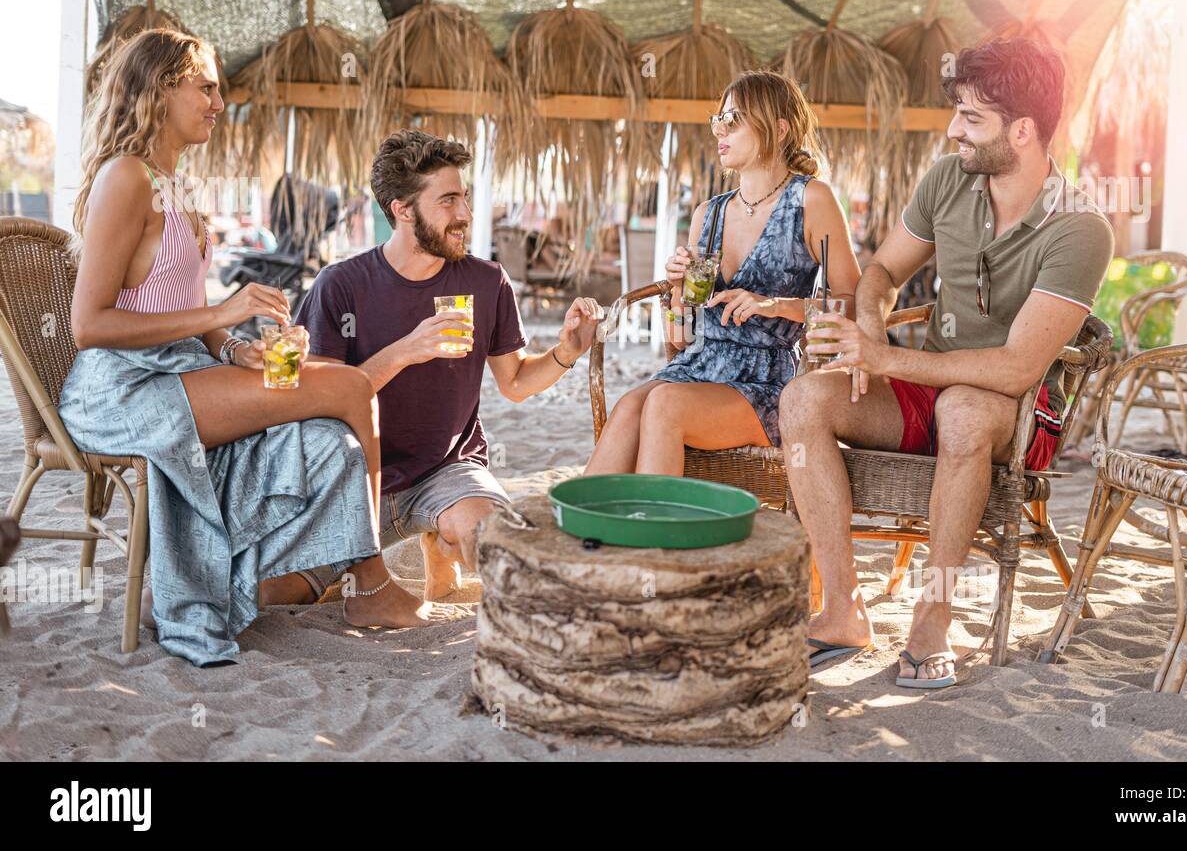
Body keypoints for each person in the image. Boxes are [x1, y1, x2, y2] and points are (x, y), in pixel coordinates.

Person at [58, 28, 432, 668]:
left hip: (181, 370)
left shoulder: (172, 182)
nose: (217, 102)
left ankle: (272, 577)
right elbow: (88, 326)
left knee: (328, 430)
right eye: (204, 87)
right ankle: (368, 583)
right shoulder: (126, 178)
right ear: (160, 89)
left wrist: (233, 346)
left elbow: (174, 306)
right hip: (125, 389)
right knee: (348, 387)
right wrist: (222, 311)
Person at [781, 37, 1114, 685]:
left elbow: (1018, 369)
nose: (952, 129)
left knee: (963, 410)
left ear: (1022, 131)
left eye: (971, 117)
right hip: (928, 385)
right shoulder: (947, 180)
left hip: (1018, 413)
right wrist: (870, 323)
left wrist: (886, 359)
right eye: (956, 110)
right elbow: (881, 269)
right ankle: (843, 608)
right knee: (803, 399)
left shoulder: (1080, 228)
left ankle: (933, 617)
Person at [287, 129, 602, 601]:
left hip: (447, 469)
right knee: (277, 595)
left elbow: (514, 382)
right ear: (403, 209)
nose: (466, 215)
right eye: (449, 200)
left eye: (466, 198)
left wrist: (566, 352)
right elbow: (316, 400)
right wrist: (405, 351)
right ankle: (397, 552)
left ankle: (442, 535)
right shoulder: (340, 286)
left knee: (498, 544)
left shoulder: (486, 281)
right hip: (354, 481)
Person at [585, 70, 861, 476]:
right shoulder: (708, 215)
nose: (720, 131)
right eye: (718, 120)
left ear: (778, 129)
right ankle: (589, 529)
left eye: (733, 120)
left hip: (769, 378)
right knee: (629, 407)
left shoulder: (811, 200)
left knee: (664, 405)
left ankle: (654, 533)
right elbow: (681, 339)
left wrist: (775, 305)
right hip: (698, 365)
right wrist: (678, 290)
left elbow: (850, 306)